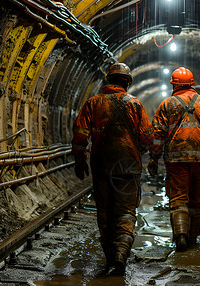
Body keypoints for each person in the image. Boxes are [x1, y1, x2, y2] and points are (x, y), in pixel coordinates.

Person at [71, 62, 154, 274]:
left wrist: (79, 160)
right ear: (127, 82)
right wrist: (138, 152)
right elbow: (147, 136)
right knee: (126, 212)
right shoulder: (134, 104)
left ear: (108, 80)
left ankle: (109, 258)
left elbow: (80, 134)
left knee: (105, 213)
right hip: (128, 166)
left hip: (101, 165)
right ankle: (120, 256)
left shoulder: (93, 102)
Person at [147, 67, 200, 252]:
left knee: (179, 195)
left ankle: (180, 235)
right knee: (196, 196)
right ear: (192, 83)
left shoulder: (167, 104)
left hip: (175, 158)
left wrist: (154, 157)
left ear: (173, 85)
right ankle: (193, 237)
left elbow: (157, 135)